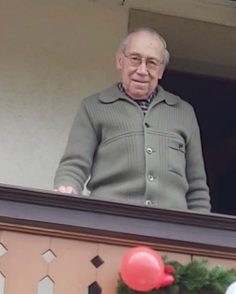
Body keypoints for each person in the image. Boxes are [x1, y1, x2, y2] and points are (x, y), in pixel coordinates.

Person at [54, 28, 211, 212]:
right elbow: (74, 165)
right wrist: (67, 189)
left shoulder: (184, 112)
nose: (142, 70)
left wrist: (200, 226)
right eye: (135, 59)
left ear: (161, 70)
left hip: (170, 226)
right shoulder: (94, 107)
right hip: (109, 220)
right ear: (120, 61)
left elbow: (197, 187)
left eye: (151, 63)